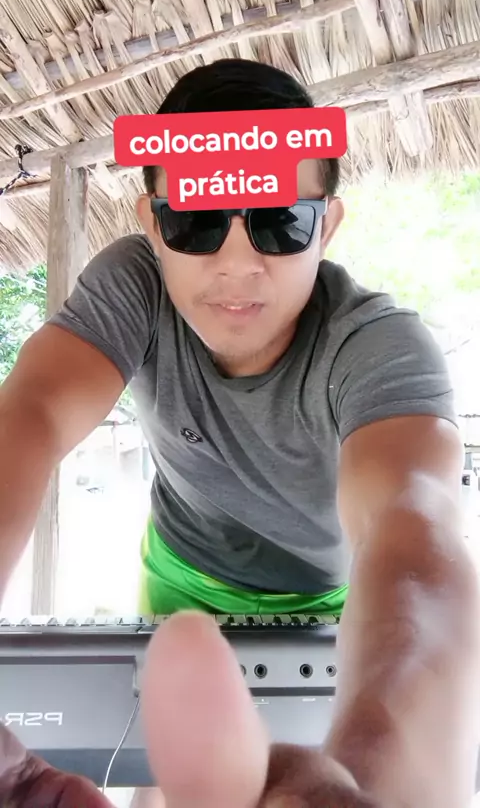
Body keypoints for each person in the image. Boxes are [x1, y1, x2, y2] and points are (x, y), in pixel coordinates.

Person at [0, 58, 479, 807]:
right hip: (181, 577)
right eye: (195, 221)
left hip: (334, 604)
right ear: (152, 224)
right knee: (168, 780)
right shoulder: (136, 284)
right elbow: (31, 414)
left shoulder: (376, 347)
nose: (236, 264)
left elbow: (414, 534)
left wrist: (373, 776)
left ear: (328, 226)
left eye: (279, 220)